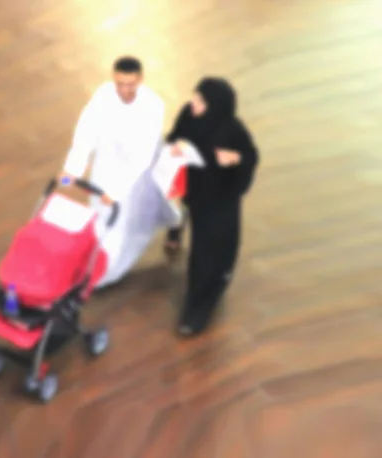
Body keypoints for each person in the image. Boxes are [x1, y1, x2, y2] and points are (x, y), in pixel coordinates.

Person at [60, 56, 181, 289]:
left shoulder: (153, 105)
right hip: (107, 163)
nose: (124, 90)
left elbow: (142, 156)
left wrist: (116, 191)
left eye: (130, 84)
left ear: (140, 80)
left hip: (137, 172)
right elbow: (86, 131)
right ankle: (97, 257)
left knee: (125, 216)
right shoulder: (103, 95)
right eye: (119, 84)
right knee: (102, 213)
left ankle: (107, 271)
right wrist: (73, 167)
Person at [164, 77, 259, 336]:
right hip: (194, 191)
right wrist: (174, 146)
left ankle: (207, 296)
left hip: (220, 199)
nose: (192, 103)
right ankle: (196, 303)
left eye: (199, 101)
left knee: (215, 248)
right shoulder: (188, 114)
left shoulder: (233, 130)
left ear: (214, 106)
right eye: (194, 97)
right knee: (198, 241)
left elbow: (250, 157)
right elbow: (174, 136)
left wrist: (236, 159)